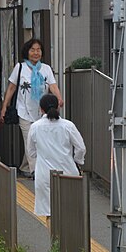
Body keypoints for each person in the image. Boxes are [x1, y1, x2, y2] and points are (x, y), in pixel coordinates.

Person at [0, 37, 63, 178]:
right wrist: (4, 107)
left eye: (38, 50)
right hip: (24, 110)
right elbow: (11, 88)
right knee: (30, 140)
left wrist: (59, 98)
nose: (36, 53)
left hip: (42, 112)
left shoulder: (46, 69)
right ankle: (36, 171)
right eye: (33, 50)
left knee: (37, 140)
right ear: (27, 52)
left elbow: (52, 85)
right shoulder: (20, 67)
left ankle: (25, 166)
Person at [28, 93, 86, 235]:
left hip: (45, 175)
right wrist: (77, 161)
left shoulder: (35, 127)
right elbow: (81, 148)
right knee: (70, 211)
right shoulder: (68, 125)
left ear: (41, 109)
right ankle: (72, 244)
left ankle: (55, 247)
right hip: (69, 173)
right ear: (58, 107)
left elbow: (31, 152)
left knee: (50, 212)